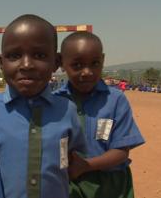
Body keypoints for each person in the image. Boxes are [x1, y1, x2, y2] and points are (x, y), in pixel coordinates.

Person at [0, 14, 87, 198]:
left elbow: (72, 158)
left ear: (56, 62)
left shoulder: (67, 110)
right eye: (14, 56)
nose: (26, 65)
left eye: (39, 55)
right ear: (1, 63)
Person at [55, 31, 145, 198]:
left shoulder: (115, 100)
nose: (87, 72)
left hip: (112, 186)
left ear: (103, 60)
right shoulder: (55, 102)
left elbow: (121, 151)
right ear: (61, 62)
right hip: (69, 185)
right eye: (77, 65)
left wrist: (86, 165)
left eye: (95, 63)